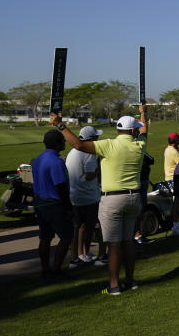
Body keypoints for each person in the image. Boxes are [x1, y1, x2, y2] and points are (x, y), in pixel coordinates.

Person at [50, 105, 150, 295]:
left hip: (112, 199)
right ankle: (130, 280)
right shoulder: (139, 145)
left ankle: (113, 286)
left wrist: (60, 126)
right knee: (128, 241)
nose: (138, 129)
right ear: (132, 130)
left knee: (113, 244)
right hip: (133, 198)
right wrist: (143, 113)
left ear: (119, 129)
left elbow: (79, 145)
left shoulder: (108, 144)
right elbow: (144, 130)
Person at [31, 129, 74, 280]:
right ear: (56, 143)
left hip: (40, 202)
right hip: (54, 204)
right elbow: (61, 187)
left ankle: (45, 270)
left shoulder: (37, 159)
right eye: (62, 140)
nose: (64, 142)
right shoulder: (56, 161)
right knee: (67, 236)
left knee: (45, 238)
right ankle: (56, 270)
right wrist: (68, 208)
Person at [66, 126, 103, 268]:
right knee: (88, 226)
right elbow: (89, 175)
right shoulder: (89, 153)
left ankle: (77, 256)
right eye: (96, 137)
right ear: (91, 139)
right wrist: (100, 168)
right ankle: (85, 253)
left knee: (78, 227)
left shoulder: (72, 152)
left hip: (74, 195)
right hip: (87, 196)